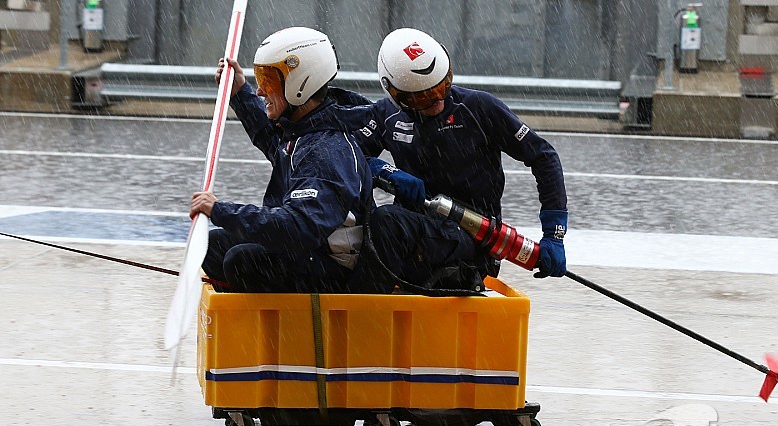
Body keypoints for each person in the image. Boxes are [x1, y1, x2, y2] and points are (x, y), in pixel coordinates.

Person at [352, 27, 568, 288]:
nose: (438, 100)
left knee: (384, 223)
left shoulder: (479, 108)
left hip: (474, 237)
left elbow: (544, 157)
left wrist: (554, 233)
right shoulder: (385, 114)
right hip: (414, 226)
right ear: (397, 95)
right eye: (424, 96)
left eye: (442, 86)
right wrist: (383, 171)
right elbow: (349, 154)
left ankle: (369, 310)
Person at [190, 26, 373, 293]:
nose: (262, 91)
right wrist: (240, 92)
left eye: (268, 82)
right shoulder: (302, 128)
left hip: (334, 267)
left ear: (301, 84)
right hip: (309, 247)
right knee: (212, 246)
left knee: (242, 261)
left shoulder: (326, 149)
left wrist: (221, 210)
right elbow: (273, 141)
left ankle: (277, 328)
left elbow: (298, 227)